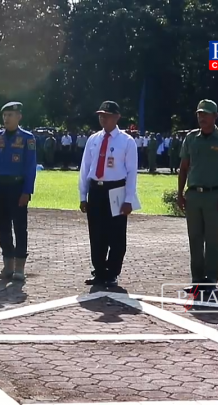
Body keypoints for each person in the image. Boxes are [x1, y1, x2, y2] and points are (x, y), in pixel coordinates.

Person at [177, 99, 218, 295]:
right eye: (199, 114)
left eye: (206, 114)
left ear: (215, 117)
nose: (201, 117)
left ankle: (210, 279)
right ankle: (197, 279)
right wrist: (180, 193)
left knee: (212, 239)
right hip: (193, 194)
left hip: (213, 195)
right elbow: (184, 167)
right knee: (194, 238)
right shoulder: (191, 138)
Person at [79, 101, 140, 288]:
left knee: (116, 233)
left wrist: (129, 199)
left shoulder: (127, 141)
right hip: (96, 189)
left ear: (116, 117)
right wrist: (83, 195)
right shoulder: (93, 139)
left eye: (106, 115)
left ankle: (112, 272)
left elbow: (131, 172)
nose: (102, 118)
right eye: (100, 115)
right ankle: (99, 270)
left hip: (117, 188)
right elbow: (85, 167)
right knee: (96, 232)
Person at [0, 102, 37, 281]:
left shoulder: (27, 138)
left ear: (19, 117)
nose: (6, 119)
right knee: (2, 226)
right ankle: (7, 265)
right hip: (1, 187)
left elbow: (30, 167)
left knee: (19, 227)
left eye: (10, 115)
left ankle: (19, 268)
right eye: (5, 115)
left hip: (18, 187)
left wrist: (27, 191)